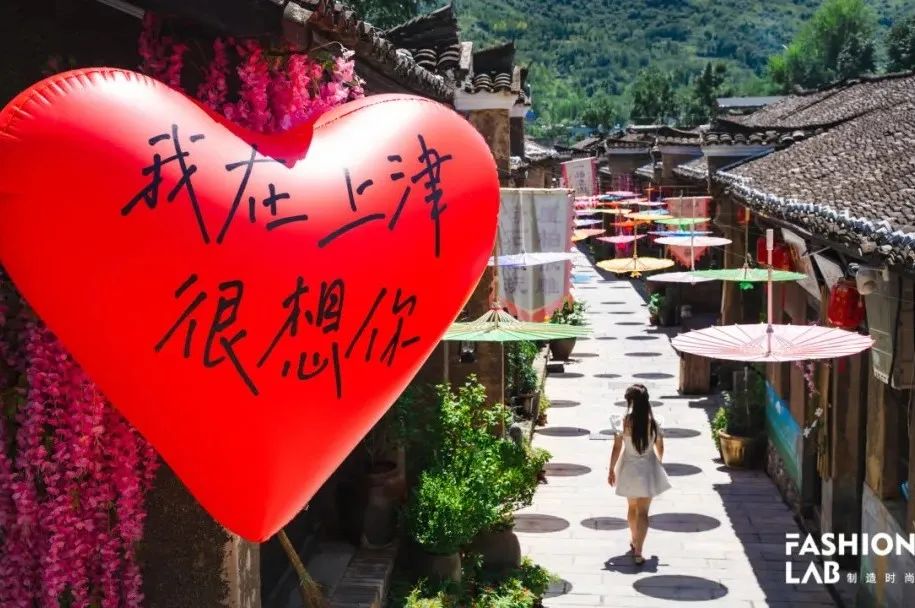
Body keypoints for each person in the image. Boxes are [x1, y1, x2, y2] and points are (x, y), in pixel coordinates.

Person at [607, 383, 670, 565]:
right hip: (647, 468)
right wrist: (658, 463)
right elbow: (660, 447)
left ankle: (634, 539)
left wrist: (611, 469)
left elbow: (617, 447)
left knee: (632, 507)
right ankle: (639, 550)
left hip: (628, 468)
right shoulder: (654, 423)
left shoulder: (624, 422)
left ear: (631, 402)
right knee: (643, 512)